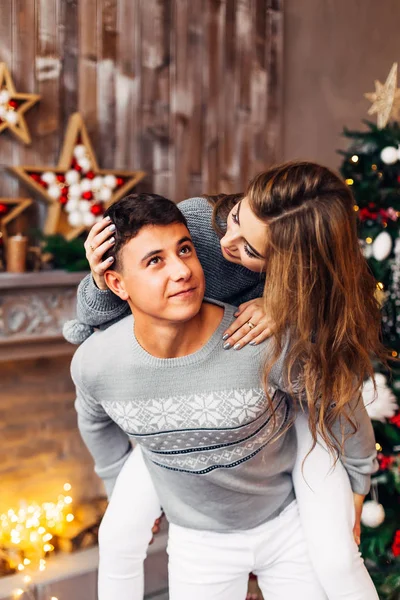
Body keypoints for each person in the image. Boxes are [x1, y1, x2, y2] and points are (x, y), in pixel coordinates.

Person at [69, 162, 386, 600]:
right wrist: (98, 275)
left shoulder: (281, 330)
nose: (222, 245)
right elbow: (91, 323)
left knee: (336, 559)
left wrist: (282, 306)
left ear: (291, 269)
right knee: (119, 533)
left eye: (251, 250)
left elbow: (334, 390)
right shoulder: (197, 226)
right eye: (237, 216)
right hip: (176, 420)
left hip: (268, 409)